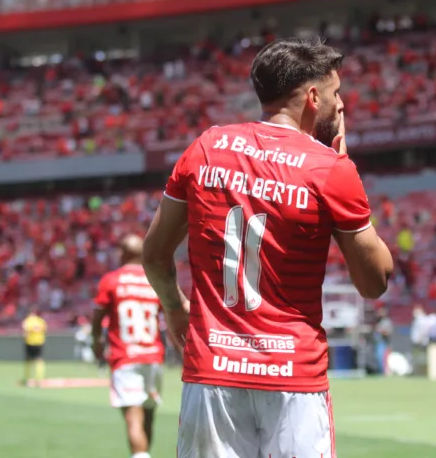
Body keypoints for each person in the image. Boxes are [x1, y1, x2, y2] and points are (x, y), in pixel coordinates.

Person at [142, 37, 393, 458]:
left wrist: (174, 307)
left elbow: (153, 254)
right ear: (313, 97)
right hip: (293, 375)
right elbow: (375, 282)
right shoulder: (330, 168)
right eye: (336, 94)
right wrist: (343, 170)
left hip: (213, 372)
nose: (341, 105)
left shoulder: (205, 148)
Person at [92, 234, 164, 458]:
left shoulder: (111, 280)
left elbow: (98, 314)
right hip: (153, 356)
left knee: (133, 416)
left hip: (125, 356)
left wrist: (96, 341)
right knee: (149, 413)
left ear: (122, 254)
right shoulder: (155, 280)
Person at [22, 307, 47, 387]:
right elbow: (45, 330)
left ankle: (28, 380)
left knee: (28, 361)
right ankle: (39, 380)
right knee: (39, 360)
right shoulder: (40, 321)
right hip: (39, 342)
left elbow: (25, 332)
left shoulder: (27, 321)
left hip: (30, 342)